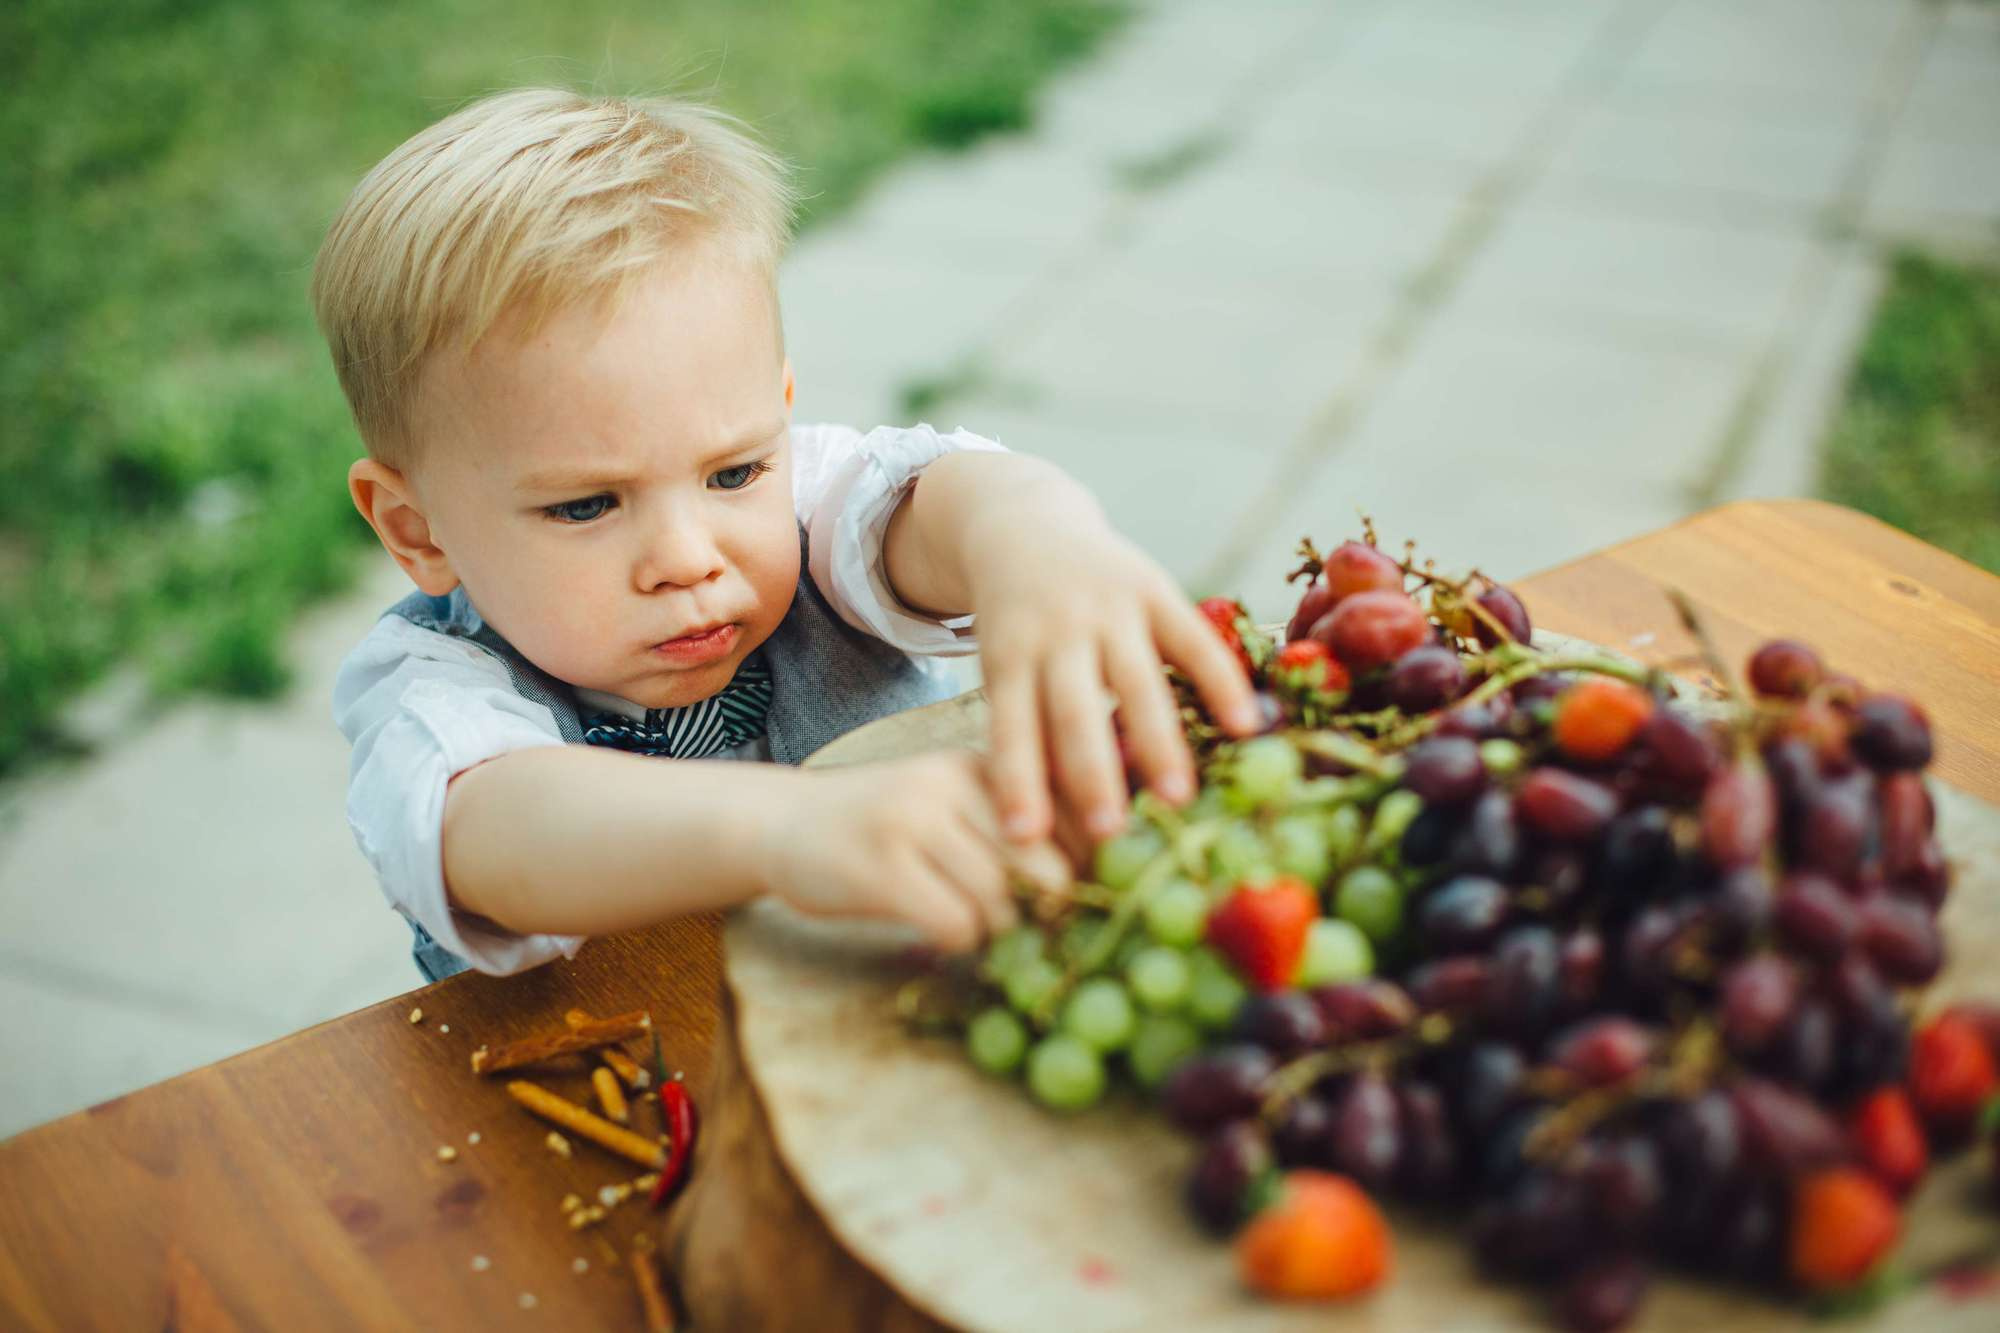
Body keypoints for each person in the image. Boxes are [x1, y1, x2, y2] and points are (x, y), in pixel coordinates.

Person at [313, 88, 1257, 981]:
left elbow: (925, 505)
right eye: (587, 505)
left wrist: (1033, 530)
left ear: (781, 411)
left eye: (733, 472)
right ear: (415, 529)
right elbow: (495, 833)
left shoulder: (801, 510)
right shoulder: (431, 691)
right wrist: (789, 829)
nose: (690, 556)